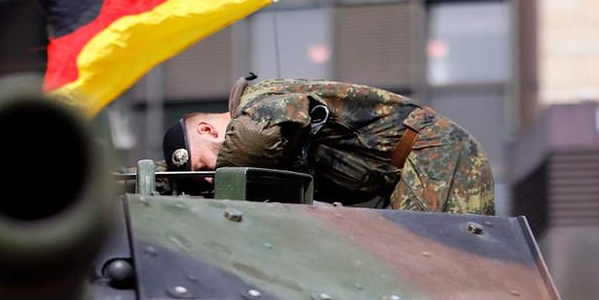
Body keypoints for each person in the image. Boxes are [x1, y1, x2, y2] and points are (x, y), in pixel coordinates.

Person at [162, 75, 495, 215]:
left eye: (205, 167)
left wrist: (223, 187)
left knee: (437, 268)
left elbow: (256, 140)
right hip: (410, 174)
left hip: (434, 155)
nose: (210, 179)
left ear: (208, 129)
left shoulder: (260, 102)